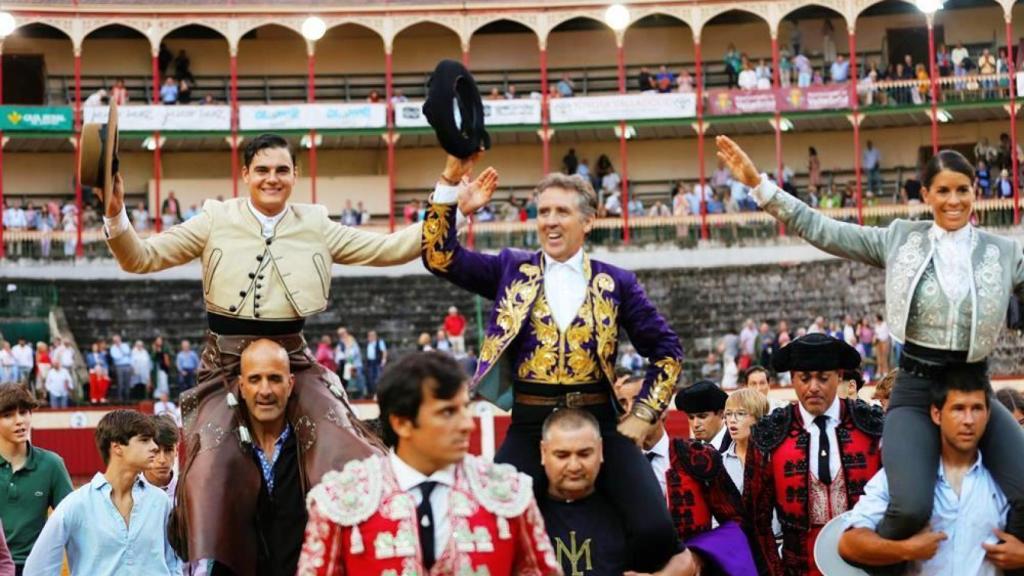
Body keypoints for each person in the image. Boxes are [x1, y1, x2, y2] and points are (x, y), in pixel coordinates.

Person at [102, 132, 436, 574]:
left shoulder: (316, 223)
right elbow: (140, 258)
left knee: (352, 448)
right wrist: (115, 215)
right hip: (226, 364)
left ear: (296, 175)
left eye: (282, 170)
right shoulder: (215, 219)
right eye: (262, 169)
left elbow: (392, 248)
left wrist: (446, 202)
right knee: (206, 470)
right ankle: (209, 559)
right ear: (245, 175)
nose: (272, 178)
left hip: (291, 360)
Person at [718, 134, 1024, 560]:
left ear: (976, 192)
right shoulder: (900, 240)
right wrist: (760, 186)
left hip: (974, 392)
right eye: (943, 191)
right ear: (926, 195)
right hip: (916, 389)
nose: (954, 201)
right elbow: (824, 230)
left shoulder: (1005, 252)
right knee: (909, 507)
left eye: (963, 190)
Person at [422, 158, 683, 572]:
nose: (551, 221)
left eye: (562, 211)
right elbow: (439, 257)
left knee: (653, 527)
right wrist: (452, 192)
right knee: (484, 522)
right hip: (530, 422)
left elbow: (667, 351)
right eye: (544, 212)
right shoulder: (511, 268)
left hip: (599, 421)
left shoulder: (617, 282)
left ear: (588, 221)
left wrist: (643, 416)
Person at [297, 352, 561, 575]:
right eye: (447, 412)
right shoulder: (341, 500)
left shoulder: (509, 494)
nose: (467, 424)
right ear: (401, 423)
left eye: (465, 408)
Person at [839, 365, 1024, 573]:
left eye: (977, 409)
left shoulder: (1005, 479)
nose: (968, 420)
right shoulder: (900, 477)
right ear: (937, 414)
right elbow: (849, 545)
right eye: (958, 409)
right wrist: (904, 550)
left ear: (989, 414)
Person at [744, 334, 884, 576]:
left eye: (823, 378)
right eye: (804, 378)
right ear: (792, 379)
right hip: (797, 568)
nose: (813, 387)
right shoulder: (771, 433)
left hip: (867, 564)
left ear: (840, 376)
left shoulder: (871, 425)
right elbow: (756, 519)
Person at [613, 381, 760, 574]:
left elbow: (737, 523)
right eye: (623, 403)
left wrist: (697, 557)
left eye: (639, 401)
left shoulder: (696, 457)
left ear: (663, 408)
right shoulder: (610, 466)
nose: (631, 410)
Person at [23, 410, 181, 576]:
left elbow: (173, 564)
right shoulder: (76, 505)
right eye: (144, 440)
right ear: (117, 447)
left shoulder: (161, 501)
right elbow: (37, 570)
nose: (154, 447)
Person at [0, 385, 73, 575]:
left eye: (24, 412)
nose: (19, 421)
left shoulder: (51, 464)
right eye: (8, 415)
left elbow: (74, 521)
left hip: (37, 568)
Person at [675, 380, 731, 452]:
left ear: (721, 414)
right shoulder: (689, 451)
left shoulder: (738, 445)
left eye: (702, 417)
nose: (695, 424)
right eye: (691, 417)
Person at [143, 413, 180, 498]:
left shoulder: (187, 492)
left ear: (176, 450)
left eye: (168, 450)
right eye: (155, 451)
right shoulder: (128, 492)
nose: (162, 460)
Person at [363, 330, 387, 398]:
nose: (371, 337)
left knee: (378, 378)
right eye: (369, 335)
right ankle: (373, 393)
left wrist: (383, 360)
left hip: (377, 362)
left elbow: (384, 351)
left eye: (372, 335)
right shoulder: (368, 343)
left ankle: (379, 393)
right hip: (370, 363)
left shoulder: (380, 342)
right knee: (371, 379)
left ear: (375, 336)